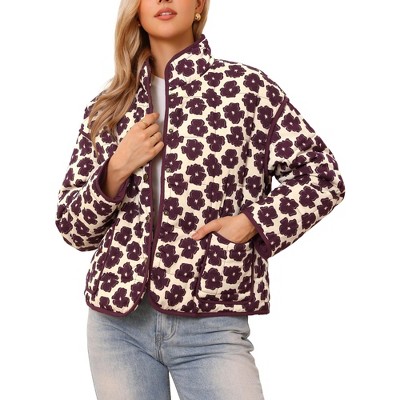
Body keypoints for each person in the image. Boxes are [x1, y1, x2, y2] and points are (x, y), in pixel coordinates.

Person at [55, 0, 345, 399]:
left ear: (199, 5)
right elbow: (73, 229)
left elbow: (322, 176)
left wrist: (250, 222)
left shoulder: (246, 91)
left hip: (211, 318)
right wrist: (116, 169)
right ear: (136, 9)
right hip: (117, 324)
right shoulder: (108, 107)